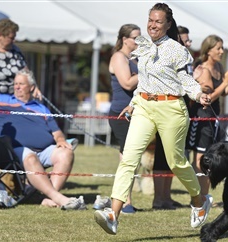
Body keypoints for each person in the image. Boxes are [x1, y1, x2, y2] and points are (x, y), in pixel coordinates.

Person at [94, 3, 213, 235]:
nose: (152, 25)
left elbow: (185, 80)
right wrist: (132, 102)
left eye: (158, 21)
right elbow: (143, 82)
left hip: (171, 108)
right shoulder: (144, 48)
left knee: (176, 162)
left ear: (168, 24)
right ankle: (113, 214)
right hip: (144, 107)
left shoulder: (177, 50)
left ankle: (199, 199)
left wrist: (198, 94)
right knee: (129, 158)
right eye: (150, 20)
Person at [0, 69, 86, 210]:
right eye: (15, 84)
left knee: (66, 153)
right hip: (13, 151)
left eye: (21, 84)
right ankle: (58, 198)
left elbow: (56, 132)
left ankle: (49, 198)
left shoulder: (41, 108)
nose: (17, 87)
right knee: (30, 157)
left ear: (31, 87)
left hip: (43, 151)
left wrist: (61, 140)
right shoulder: (2, 100)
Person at [93, 24, 141, 214]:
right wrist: (146, 72)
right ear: (124, 39)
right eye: (136, 38)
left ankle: (122, 199)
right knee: (127, 157)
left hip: (134, 111)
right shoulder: (118, 57)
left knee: (131, 157)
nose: (139, 42)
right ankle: (124, 201)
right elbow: (127, 83)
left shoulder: (134, 59)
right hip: (121, 114)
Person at [186, 35, 228, 197]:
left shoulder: (219, 67)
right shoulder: (204, 70)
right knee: (201, 157)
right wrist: (225, 82)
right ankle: (199, 195)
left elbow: (224, 93)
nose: (222, 51)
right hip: (202, 117)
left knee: (211, 155)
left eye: (222, 48)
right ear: (208, 51)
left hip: (214, 117)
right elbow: (209, 98)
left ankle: (204, 194)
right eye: (218, 48)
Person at [151, 24, 193, 210]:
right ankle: (158, 199)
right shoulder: (164, 57)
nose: (188, 43)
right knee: (162, 155)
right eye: (185, 40)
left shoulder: (185, 59)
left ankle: (166, 197)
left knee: (173, 156)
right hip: (165, 110)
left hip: (179, 111)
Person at [0, 19, 41, 99]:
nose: (14, 40)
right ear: (0, 35)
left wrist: (34, 87)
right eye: (11, 38)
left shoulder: (16, 51)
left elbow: (26, 73)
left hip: (14, 100)